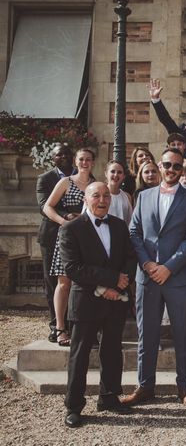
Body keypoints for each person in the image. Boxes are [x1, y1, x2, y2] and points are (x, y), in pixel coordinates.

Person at [124, 148, 186, 408]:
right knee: (147, 333)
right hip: (147, 277)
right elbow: (134, 232)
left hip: (178, 277)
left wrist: (168, 267)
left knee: (183, 332)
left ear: (182, 171)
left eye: (177, 167)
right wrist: (147, 263)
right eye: (167, 164)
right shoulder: (143, 196)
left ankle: (185, 386)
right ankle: (145, 386)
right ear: (159, 165)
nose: (171, 170)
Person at [59, 182, 137, 428]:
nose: (102, 200)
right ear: (85, 198)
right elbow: (73, 268)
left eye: (106, 196)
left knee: (112, 351)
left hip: (116, 302)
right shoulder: (71, 228)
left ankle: (109, 397)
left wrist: (120, 286)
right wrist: (110, 281)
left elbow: (129, 257)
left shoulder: (118, 225)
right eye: (96, 195)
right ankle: (73, 406)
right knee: (80, 355)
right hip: (86, 302)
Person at [43, 148, 96, 347]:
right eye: (81, 159)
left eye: (88, 159)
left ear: (93, 162)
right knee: (64, 283)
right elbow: (48, 206)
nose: (84, 163)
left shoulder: (95, 183)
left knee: (86, 284)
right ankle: (60, 327)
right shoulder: (66, 182)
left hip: (89, 239)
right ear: (76, 161)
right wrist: (63, 221)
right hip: (68, 237)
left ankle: (83, 327)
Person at [36, 144, 74, 342]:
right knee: (54, 283)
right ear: (53, 158)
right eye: (60, 154)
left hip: (76, 237)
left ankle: (73, 323)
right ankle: (56, 325)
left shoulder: (81, 175)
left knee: (74, 281)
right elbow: (43, 206)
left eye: (68, 153)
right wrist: (66, 216)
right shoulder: (46, 179)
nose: (65, 156)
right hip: (52, 236)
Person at [105, 160, 133, 225]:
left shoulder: (127, 196)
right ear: (106, 174)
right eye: (112, 171)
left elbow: (130, 220)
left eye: (119, 172)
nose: (116, 175)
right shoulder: (98, 194)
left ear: (124, 176)